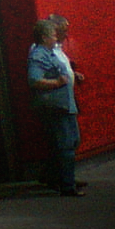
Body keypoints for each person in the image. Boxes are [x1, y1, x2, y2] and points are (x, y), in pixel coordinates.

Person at [28, 17, 84, 196]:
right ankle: (67, 185)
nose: (58, 37)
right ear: (44, 37)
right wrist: (57, 82)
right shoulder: (39, 54)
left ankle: (56, 177)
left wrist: (72, 74)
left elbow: (60, 70)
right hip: (57, 106)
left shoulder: (51, 52)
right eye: (54, 34)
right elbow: (34, 80)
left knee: (71, 142)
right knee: (66, 145)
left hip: (65, 104)